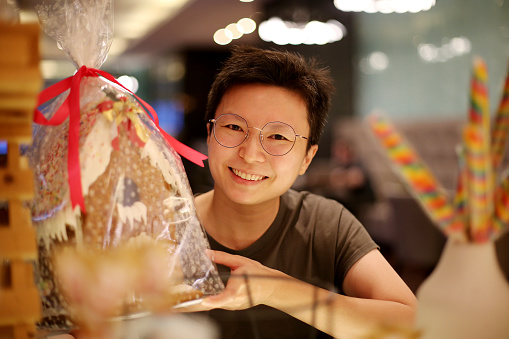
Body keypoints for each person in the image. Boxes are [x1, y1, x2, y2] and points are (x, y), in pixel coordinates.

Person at [185, 45, 417, 339]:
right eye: (233, 126)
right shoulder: (164, 225)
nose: (251, 153)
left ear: (307, 158)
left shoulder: (324, 224)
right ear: (210, 135)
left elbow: (410, 325)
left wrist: (275, 289)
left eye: (278, 136)